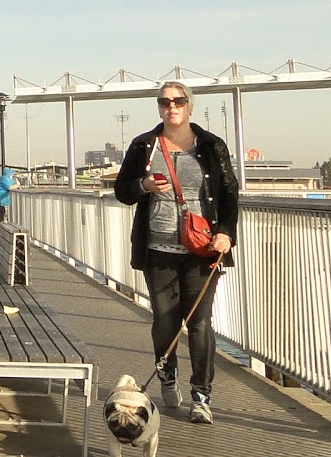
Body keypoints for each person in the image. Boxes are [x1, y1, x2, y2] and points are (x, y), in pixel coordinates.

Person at [114, 82, 238, 425]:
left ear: (189, 106)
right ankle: (167, 374)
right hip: (158, 248)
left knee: (199, 323)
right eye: (165, 102)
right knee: (165, 320)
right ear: (159, 107)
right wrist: (144, 186)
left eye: (178, 101)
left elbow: (230, 193)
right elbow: (122, 189)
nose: (172, 107)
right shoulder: (144, 145)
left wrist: (226, 233)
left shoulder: (212, 146)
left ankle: (201, 396)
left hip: (203, 249)